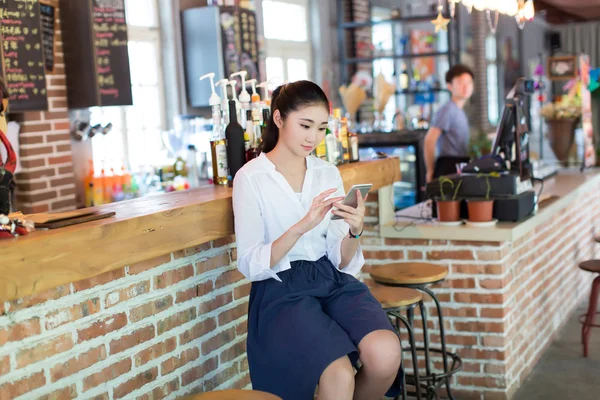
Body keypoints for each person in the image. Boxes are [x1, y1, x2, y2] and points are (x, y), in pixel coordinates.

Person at [232, 80, 402, 400]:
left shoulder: (327, 173)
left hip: (330, 277)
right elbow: (250, 263)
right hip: (281, 288)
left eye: (322, 128)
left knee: (386, 352)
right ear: (279, 119)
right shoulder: (250, 178)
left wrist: (354, 230)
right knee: (338, 376)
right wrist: (300, 226)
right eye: (305, 125)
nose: (313, 137)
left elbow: (341, 258)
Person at [424, 64, 474, 182]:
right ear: (450, 86)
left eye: (469, 82)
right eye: (460, 82)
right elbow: (429, 140)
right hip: (448, 167)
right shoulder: (448, 109)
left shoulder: (459, 110)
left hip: (458, 165)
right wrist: (430, 171)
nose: (466, 87)